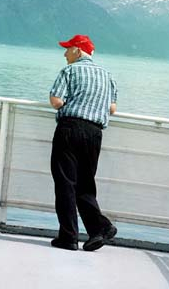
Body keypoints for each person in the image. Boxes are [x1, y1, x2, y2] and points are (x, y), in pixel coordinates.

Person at [49, 34, 118, 251]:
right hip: (94, 133)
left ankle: (69, 237)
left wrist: (72, 102)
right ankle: (99, 229)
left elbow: (56, 101)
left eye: (68, 49)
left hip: (69, 129)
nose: (65, 53)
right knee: (85, 185)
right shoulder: (107, 76)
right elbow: (112, 108)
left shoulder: (70, 71)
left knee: (65, 183)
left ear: (78, 51)